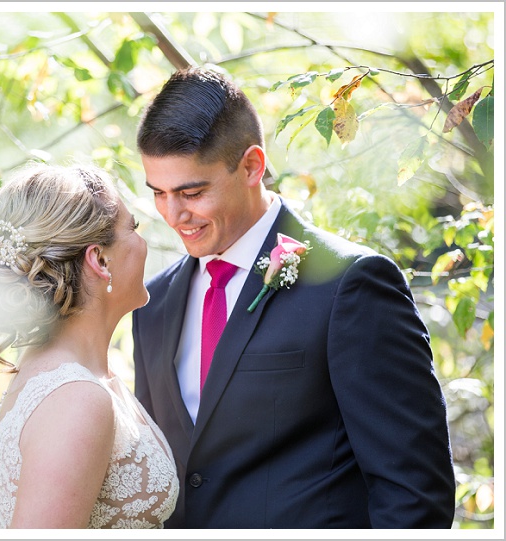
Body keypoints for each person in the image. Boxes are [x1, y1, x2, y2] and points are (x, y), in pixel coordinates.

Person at [131, 67, 456, 528]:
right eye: (159, 194)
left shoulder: (351, 285)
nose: (174, 214)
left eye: (192, 191)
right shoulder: (154, 303)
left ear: (251, 166)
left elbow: (415, 493)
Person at [0, 162, 179, 529]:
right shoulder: (76, 398)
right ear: (99, 259)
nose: (142, 242)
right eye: (133, 228)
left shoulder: (77, 375)